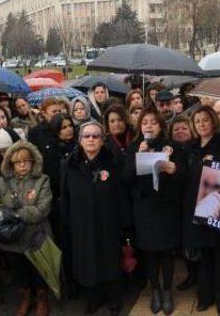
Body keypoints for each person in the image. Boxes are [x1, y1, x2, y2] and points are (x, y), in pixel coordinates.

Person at [123, 107, 184, 315]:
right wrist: (139, 155)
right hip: (144, 208)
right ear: (140, 126)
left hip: (166, 208)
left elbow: (183, 177)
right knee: (149, 252)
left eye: (153, 122)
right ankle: (155, 291)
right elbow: (126, 178)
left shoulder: (172, 146)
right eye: (145, 122)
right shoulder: (133, 147)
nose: (149, 125)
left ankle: (167, 290)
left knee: (167, 252)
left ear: (161, 126)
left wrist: (173, 169)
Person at [61, 121, 126, 315]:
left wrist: (124, 225)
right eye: (86, 136)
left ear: (102, 140)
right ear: (80, 140)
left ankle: (114, 298)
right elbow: (65, 197)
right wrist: (67, 223)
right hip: (82, 225)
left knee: (110, 261)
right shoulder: (69, 165)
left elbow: (121, 196)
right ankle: (93, 298)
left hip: (108, 223)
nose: (91, 139)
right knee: (88, 263)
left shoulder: (113, 163)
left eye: (95, 136)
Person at [0, 141, 53, 316]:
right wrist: (2, 213)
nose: (22, 165)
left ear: (34, 161)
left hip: (36, 236)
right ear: (10, 163)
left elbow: (41, 210)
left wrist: (14, 215)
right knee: (20, 272)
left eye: (26, 160)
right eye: (17, 162)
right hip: (12, 239)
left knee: (39, 271)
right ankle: (24, 300)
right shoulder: (1, 183)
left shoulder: (42, 180)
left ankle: (41, 300)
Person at [181, 106, 220, 314]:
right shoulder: (191, 147)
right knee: (202, 256)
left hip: (217, 208)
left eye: (205, 120)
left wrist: (216, 166)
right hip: (194, 207)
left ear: (213, 121)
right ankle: (205, 296)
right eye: (197, 121)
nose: (201, 124)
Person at [103, 104, 133, 169]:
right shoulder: (105, 144)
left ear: (125, 120)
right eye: (112, 121)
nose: (116, 124)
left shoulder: (136, 136)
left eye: (120, 120)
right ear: (107, 124)